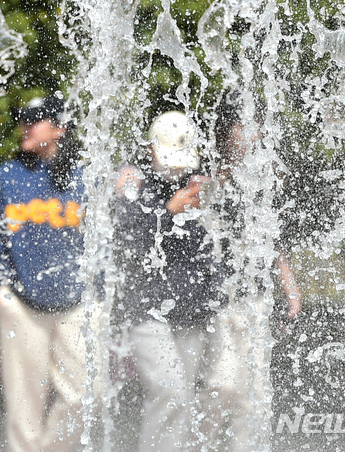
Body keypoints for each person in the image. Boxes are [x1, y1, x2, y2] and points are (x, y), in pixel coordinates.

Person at [0, 95, 105, 452]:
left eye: (33, 120)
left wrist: (99, 292)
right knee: (24, 408)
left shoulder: (83, 178)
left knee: (85, 395)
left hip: (77, 305)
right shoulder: (9, 176)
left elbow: (102, 240)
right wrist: (0, 288)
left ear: (58, 128)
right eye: (23, 119)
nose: (25, 127)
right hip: (21, 303)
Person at [114, 111, 225, 451]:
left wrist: (212, 201)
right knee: (170, 391)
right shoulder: (132, 183)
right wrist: (169, 211)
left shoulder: (197, 183)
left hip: (191, 309)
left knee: (183, 400)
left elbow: (214, 244)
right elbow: (125, 240)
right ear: (149, 148)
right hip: (148, 309)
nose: (177, 167)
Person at [202, 91, 302, 451]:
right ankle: (201, 444)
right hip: (218, 302)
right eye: (245, 126)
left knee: (255, 393)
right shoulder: (207, 177)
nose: (254, 135)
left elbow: (275, 243)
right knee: (223, 385)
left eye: (256, 126)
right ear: (227, 131)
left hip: (256, 298)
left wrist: (290, 290)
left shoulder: (263, 180)